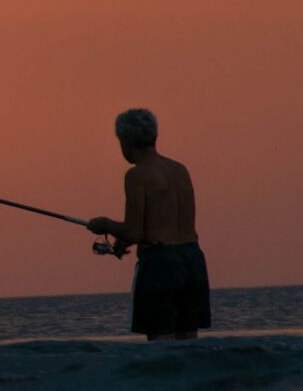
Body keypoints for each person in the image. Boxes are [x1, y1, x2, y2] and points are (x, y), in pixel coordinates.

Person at [88, 108, 211, 340]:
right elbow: (162, 219)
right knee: (189, 343)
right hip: (193, 260)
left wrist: (105, 224)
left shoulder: (136, 176)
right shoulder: (179, 170)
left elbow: (133, 230)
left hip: (160, 265)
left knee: (161, 347)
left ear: (126, 141)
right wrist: (123, 240)